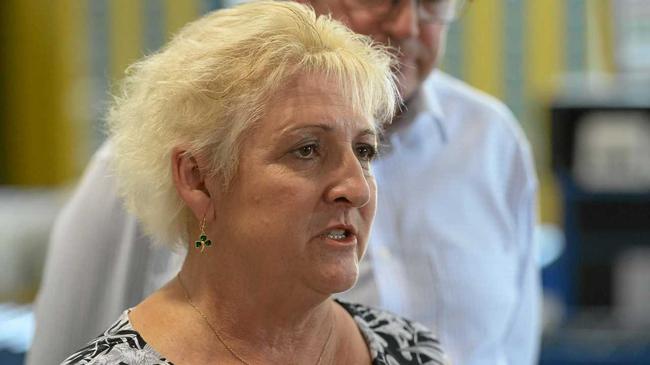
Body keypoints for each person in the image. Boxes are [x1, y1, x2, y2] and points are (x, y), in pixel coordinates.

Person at [29, 0, 540, 364]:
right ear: (198, 179)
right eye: (307, 150)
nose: (356, 188)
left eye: (365, 151)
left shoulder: (411, 348)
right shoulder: (133, 166)